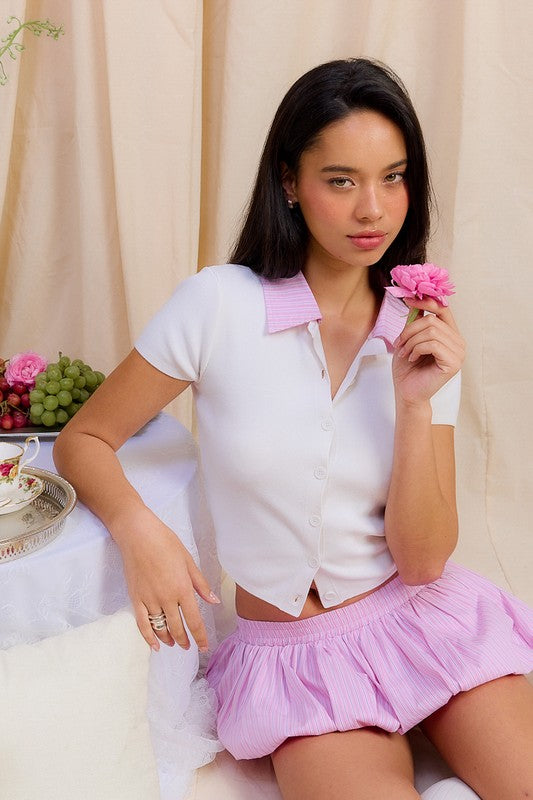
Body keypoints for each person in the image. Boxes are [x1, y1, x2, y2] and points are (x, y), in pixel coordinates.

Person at [53, 58, 533, 800]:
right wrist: (140, 531)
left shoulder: (421, 331)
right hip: (296, 661)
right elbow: (83, 439)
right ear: (289, 183)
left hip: (424, 620)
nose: (372, 209)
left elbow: (424, 559)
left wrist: (414, 403)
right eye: (340, 180)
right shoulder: (217, 305)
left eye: (393, 177)